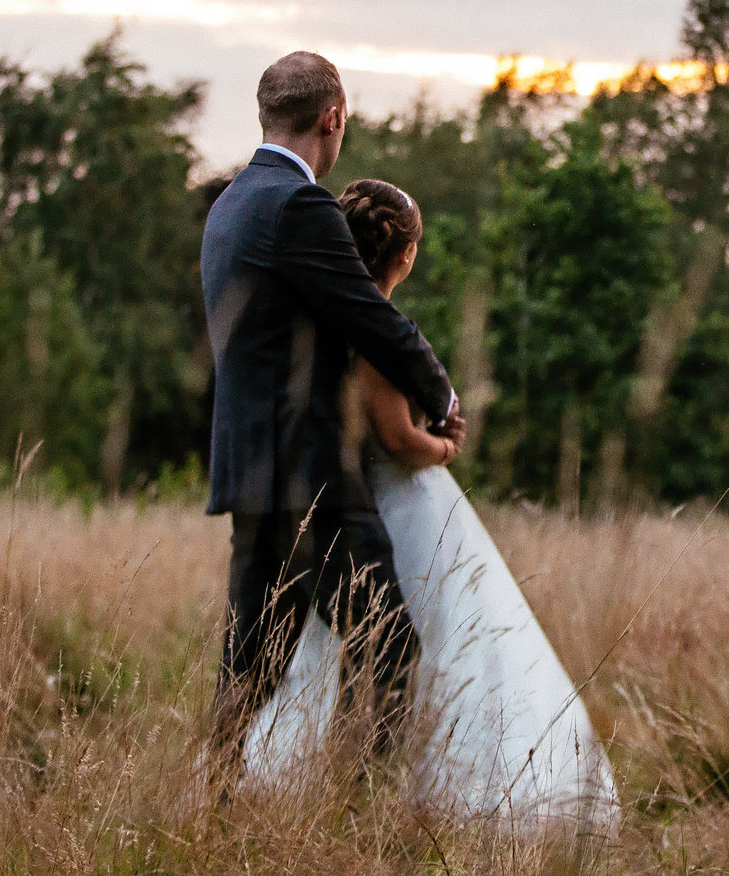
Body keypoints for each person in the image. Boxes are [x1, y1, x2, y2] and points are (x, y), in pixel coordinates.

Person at [242, 178, 620, 829]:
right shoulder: (375, 334)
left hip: (374, 501)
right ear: (405, 254)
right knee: (436, 637)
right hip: (400, 504)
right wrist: (443, 446)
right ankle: (436, 786)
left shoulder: (331, 325)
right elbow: (395, 438)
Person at [201, 51, 464, 778]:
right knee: (387, 643)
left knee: (252, 660)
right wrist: (442, 399)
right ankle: (357, 807)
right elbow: (371, 317)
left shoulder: (229, 202)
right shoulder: (299, 205)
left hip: (249, 469)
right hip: (308, 469)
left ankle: (213, 796)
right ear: (333, 117)